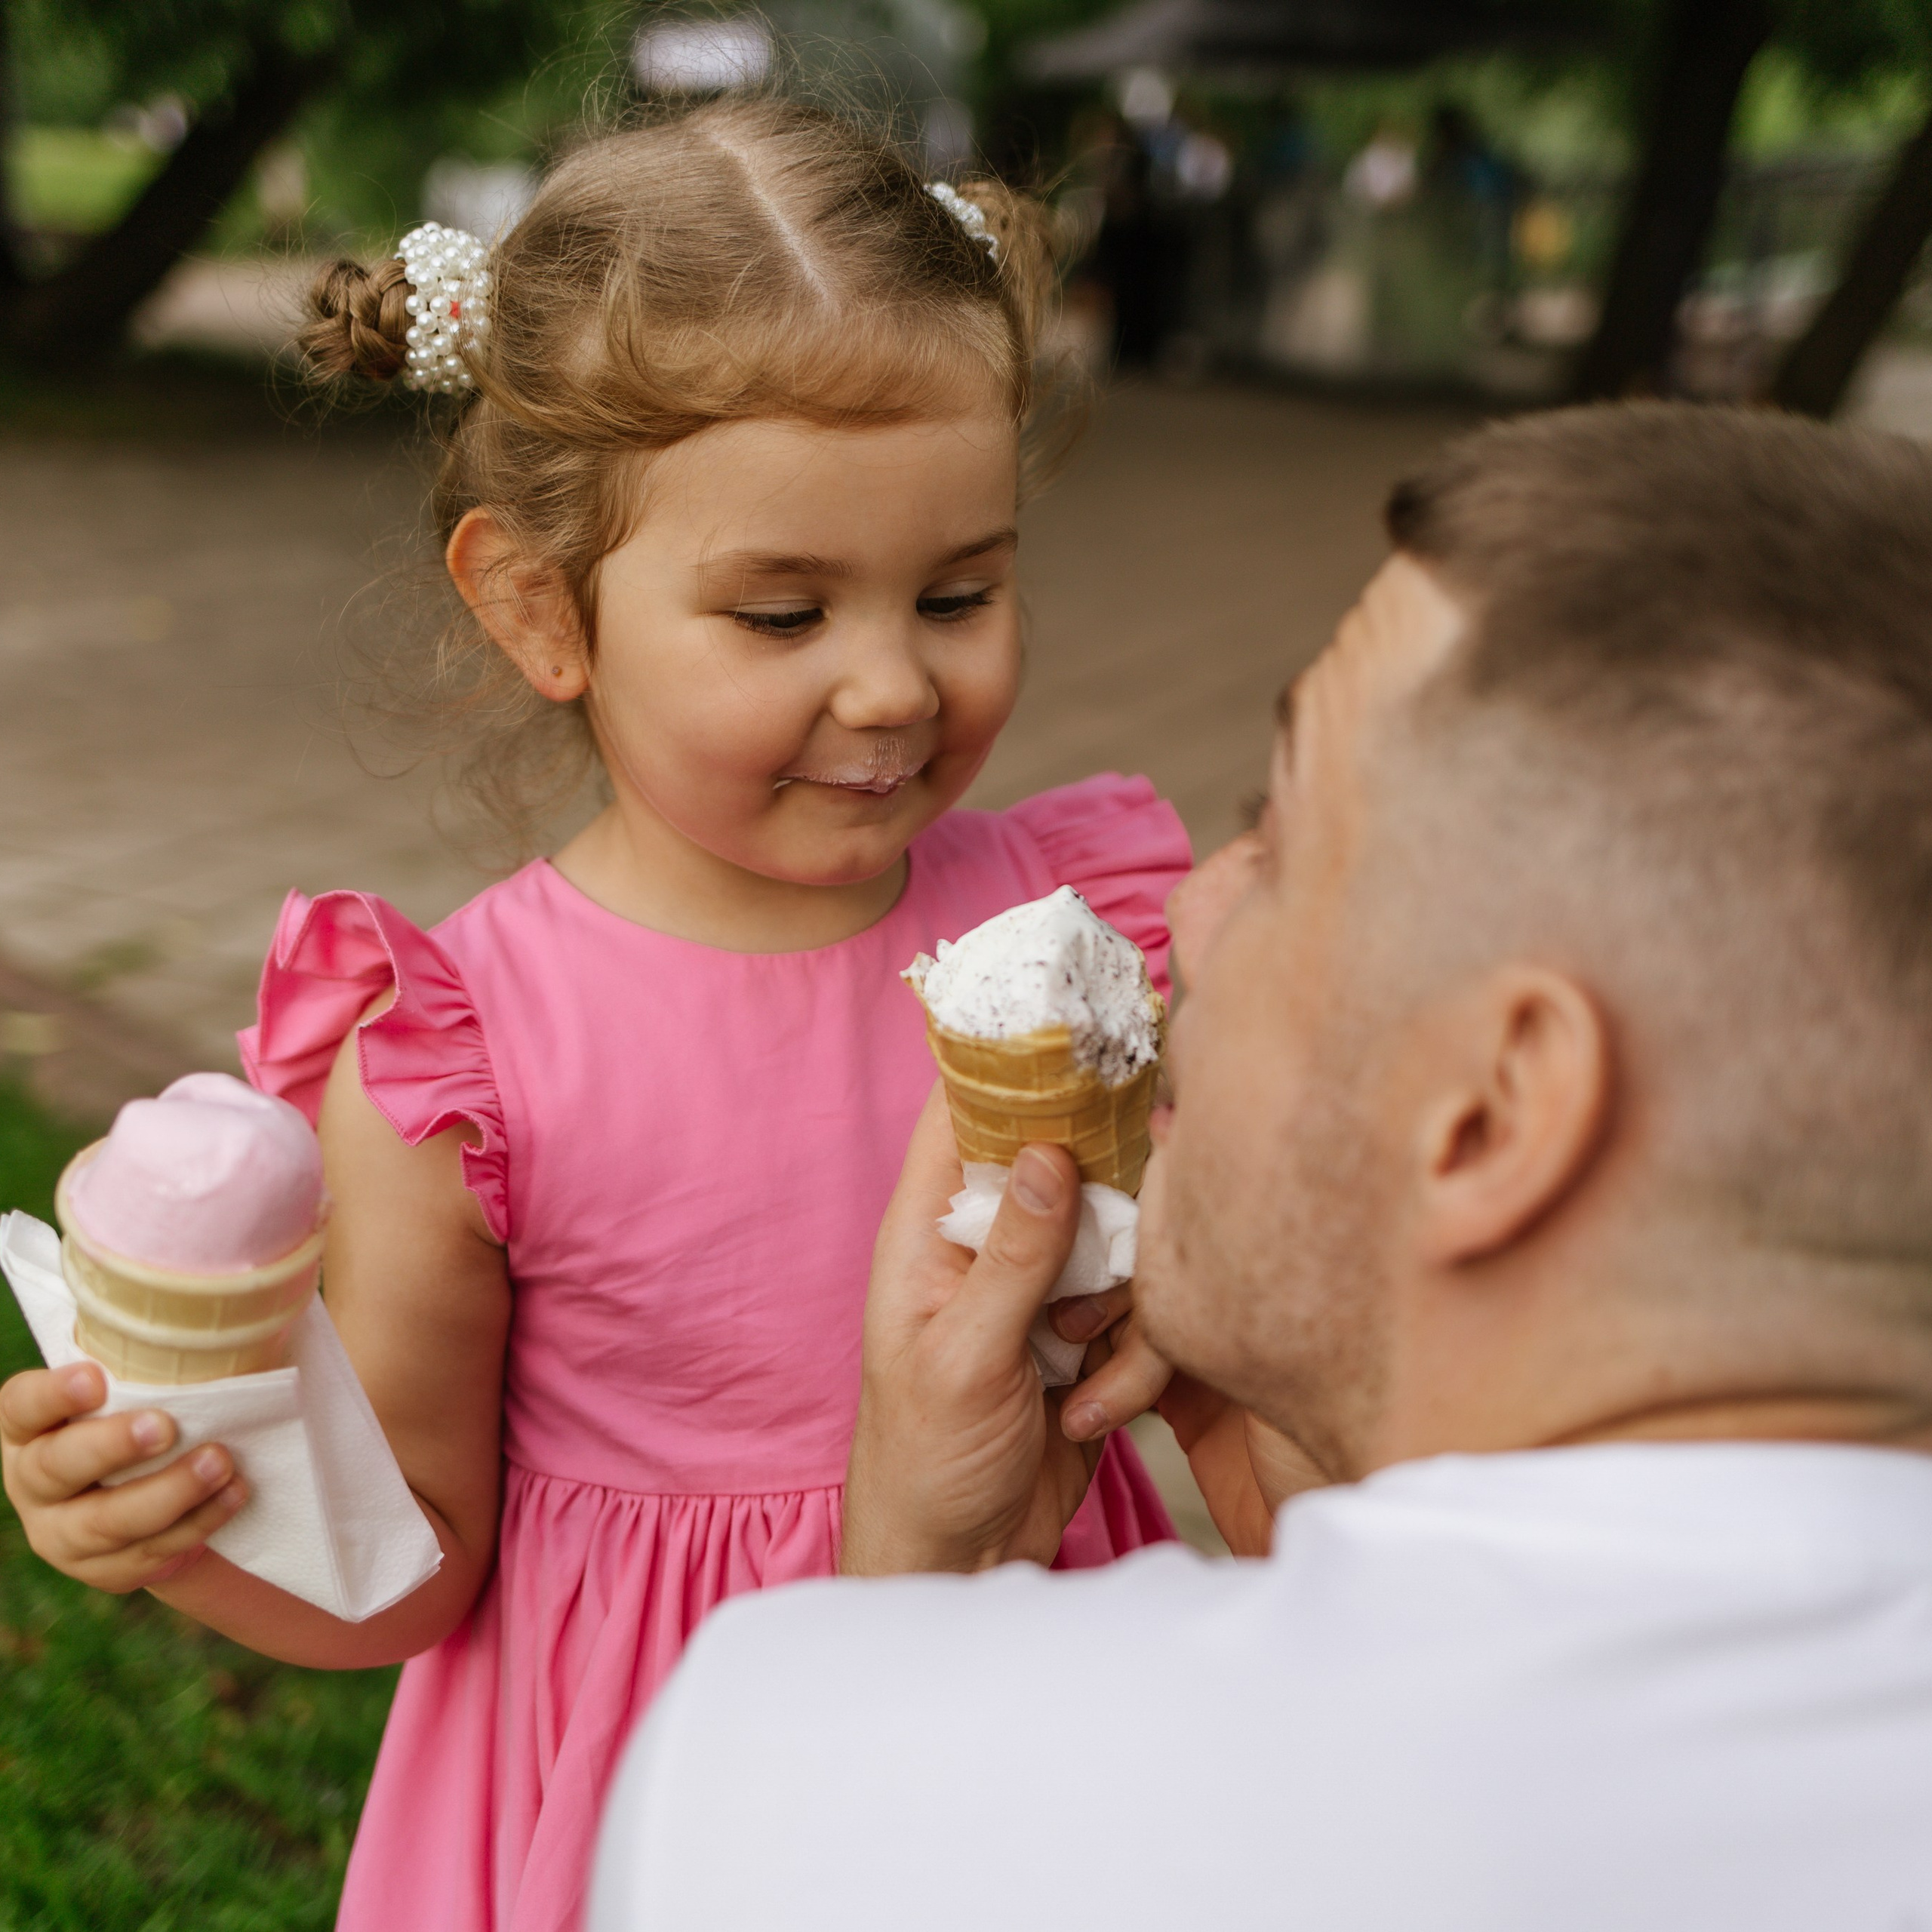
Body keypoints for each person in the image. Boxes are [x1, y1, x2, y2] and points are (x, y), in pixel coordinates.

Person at [0, 100, 1187, 1932]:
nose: (892, 681)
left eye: (960, 590)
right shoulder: (461, 1063)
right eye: (781, 614)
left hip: (1031, 1725)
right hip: (649, 1792)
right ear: (540, 609)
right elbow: (410, 1567)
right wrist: (180, 1533)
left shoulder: (1075, 936)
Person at [590, 403, 1932, 1930]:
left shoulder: (791, 1768)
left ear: (1495, 1108)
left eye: (1279, 842)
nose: (1186, 911)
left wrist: (909, 1583)